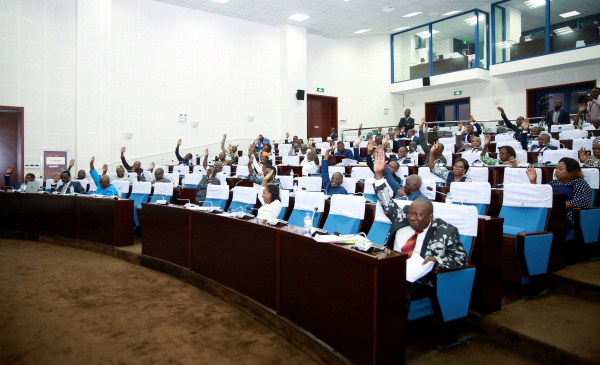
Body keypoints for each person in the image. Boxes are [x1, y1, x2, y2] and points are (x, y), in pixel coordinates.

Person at [372, 147, 467, 309]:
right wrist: (379, 174)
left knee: (392, 291)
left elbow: (461, 258)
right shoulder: (402, 218)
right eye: (411, 214)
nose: (413, 218)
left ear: (430, 217)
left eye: (419, 215)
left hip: (419, 280)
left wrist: (437, 260)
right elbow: (385, 200)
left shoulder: (443, 231)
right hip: (392, 269)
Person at [526, 158, 591, 234]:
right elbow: (540, 195)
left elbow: (582, 201)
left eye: (560, 169)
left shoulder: (579, 182)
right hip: (549, 212)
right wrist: (533, 182)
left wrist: (557, 205)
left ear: (571, 171)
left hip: (567, 214)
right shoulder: (553, 183)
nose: (556, 171)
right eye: (556, 168)